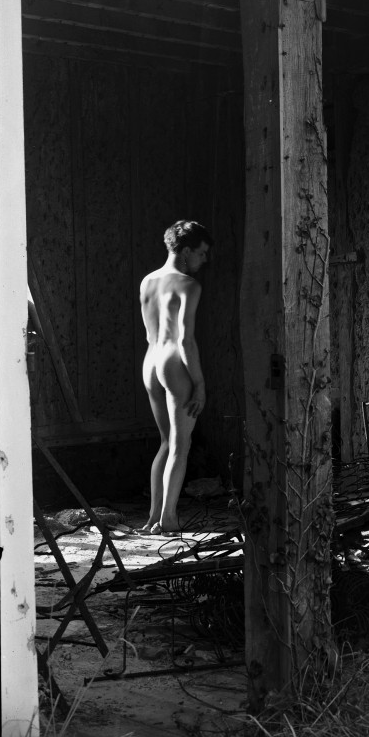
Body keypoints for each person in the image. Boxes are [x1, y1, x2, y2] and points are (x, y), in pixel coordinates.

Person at [139, 220, 212, 534]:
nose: (204, 260)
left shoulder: (148, 281)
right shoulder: (188, 285)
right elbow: (186, 340)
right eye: (201, 253)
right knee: (181, 446)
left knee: (166, 443)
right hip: (173, 361)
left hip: (150, 359)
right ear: (185, 251)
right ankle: (168, 518)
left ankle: (152, 517)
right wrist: (199, 383)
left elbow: (149, 333)